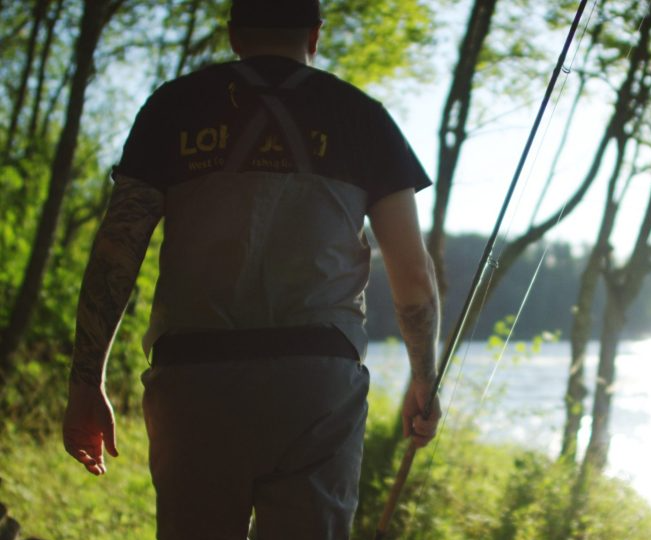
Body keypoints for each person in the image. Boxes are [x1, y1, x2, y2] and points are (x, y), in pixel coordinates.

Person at [61, 0, 441, 537]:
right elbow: (414, 279)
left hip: (194, 382)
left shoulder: (173, 108)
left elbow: (115, 254)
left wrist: (85, 382)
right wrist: (424, 377)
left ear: (234, 33)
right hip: (317, 385)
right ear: (314, 35)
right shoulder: (363, 117)